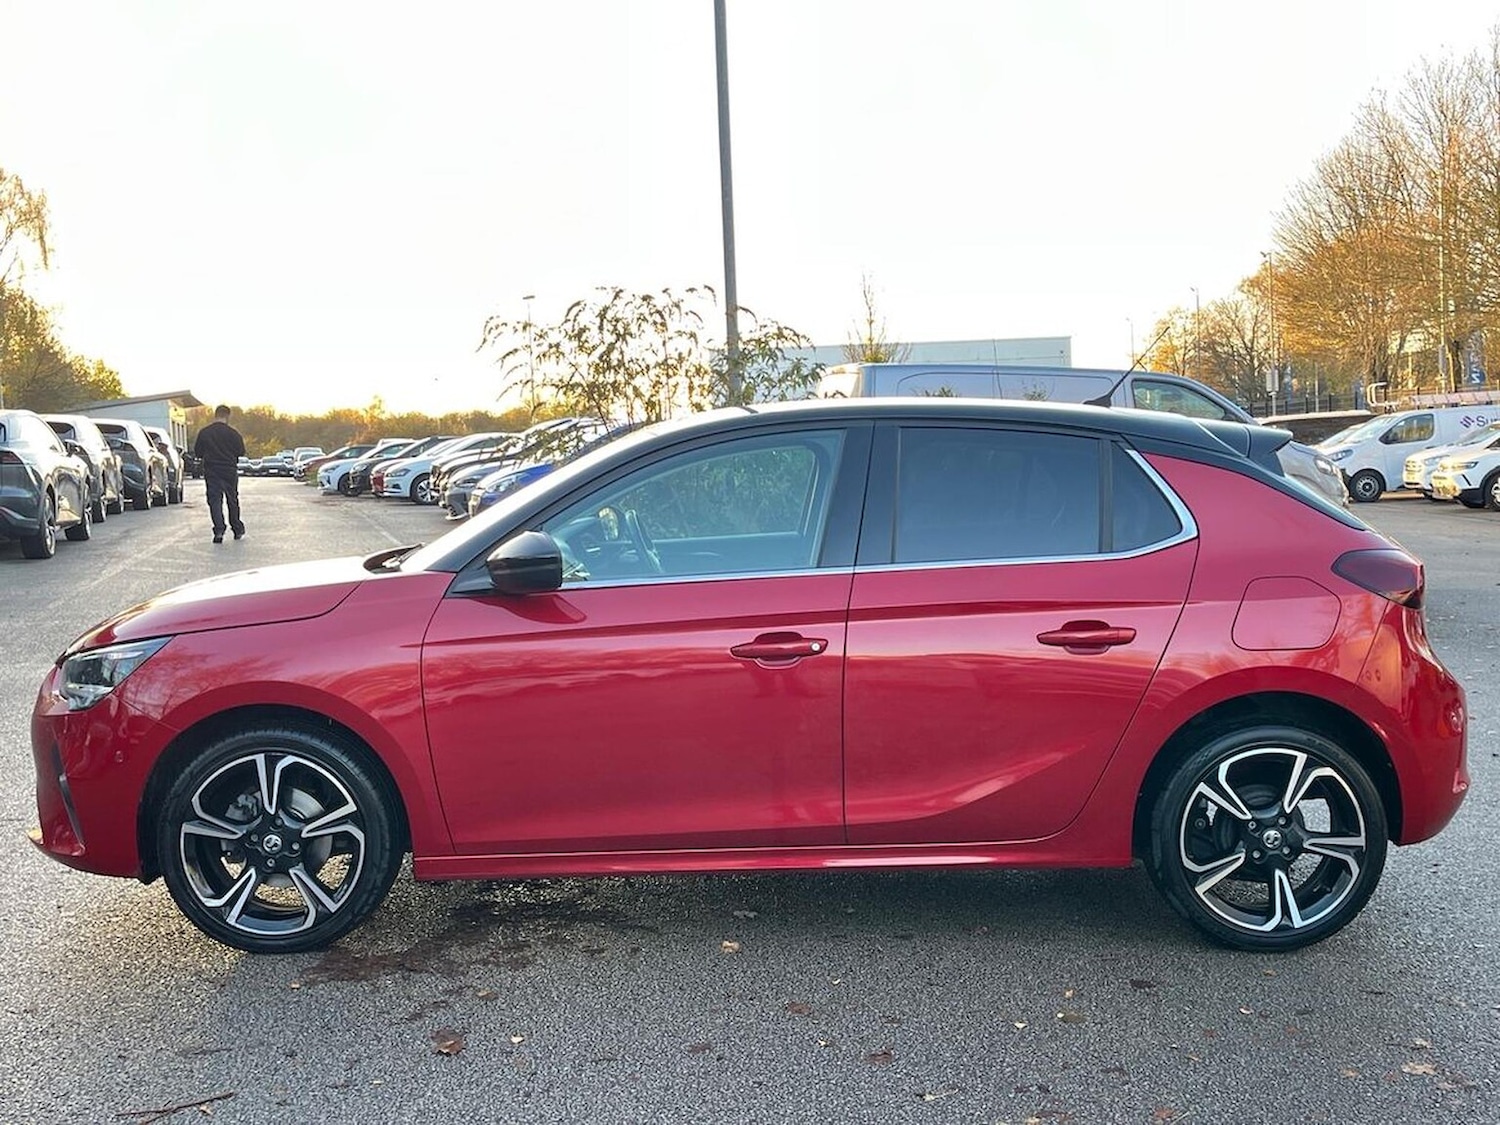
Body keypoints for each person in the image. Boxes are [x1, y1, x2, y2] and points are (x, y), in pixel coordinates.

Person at [193, 404, 246, 543]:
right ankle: (237, 529)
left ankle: (219, 530)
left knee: (215, 500)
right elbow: (241, 451)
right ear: (227, 416)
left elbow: (198, 452)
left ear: (215, 415)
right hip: (229, 470)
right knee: (232, 499)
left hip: (212, 470)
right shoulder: (233, 434)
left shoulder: (205, 432)